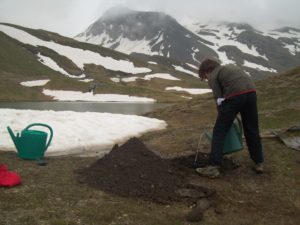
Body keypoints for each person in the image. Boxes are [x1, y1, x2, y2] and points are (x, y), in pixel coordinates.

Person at [196, 58, 264, 178]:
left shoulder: (213, 75)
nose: (207, 78)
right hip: (251, 93)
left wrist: (223, 116)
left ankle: (213, 167)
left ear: (207, 71)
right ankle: (259, 163)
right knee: (251, 129)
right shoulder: (230, 67)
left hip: (235, 96)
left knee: (219, 131)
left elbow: (219, 99)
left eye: (205, 76)